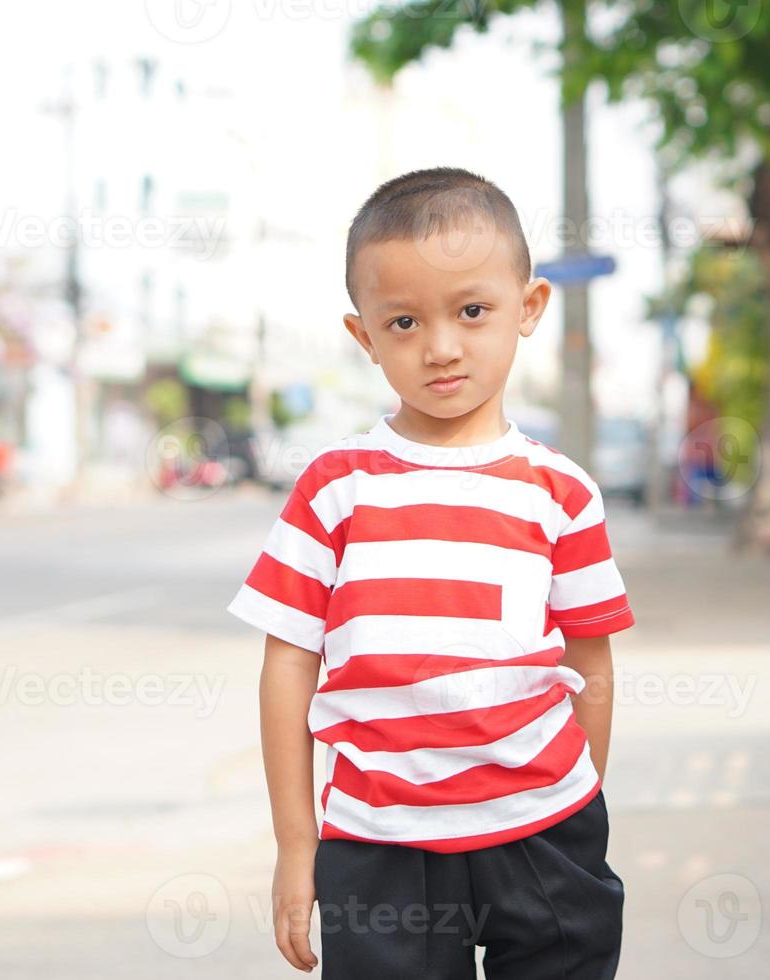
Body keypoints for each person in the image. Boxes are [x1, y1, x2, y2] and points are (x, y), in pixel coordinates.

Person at [226, 166, 635, 979]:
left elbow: (591, 662)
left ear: (529, 308)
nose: (441, 346)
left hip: (544, 830)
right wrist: (296, 845)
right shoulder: (336, 489)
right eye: (404, 321)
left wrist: (576, 808)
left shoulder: (561, 493)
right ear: (364, 337)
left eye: (472, 311)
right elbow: (287, 668)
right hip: (379, 845)